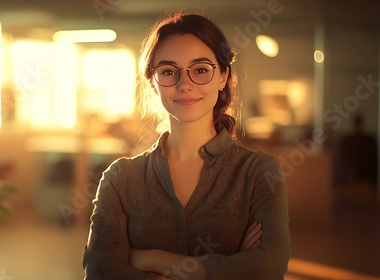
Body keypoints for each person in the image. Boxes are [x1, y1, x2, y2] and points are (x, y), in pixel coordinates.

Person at [83, 12, 290, 280]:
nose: (185, 84)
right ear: (153, 84)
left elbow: (269, 267)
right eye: (169, 72)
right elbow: (101, 272)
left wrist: (150, 259)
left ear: (223, 76)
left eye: (201, 70)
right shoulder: (120, 178)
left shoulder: (259, 172)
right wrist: (231, 267)